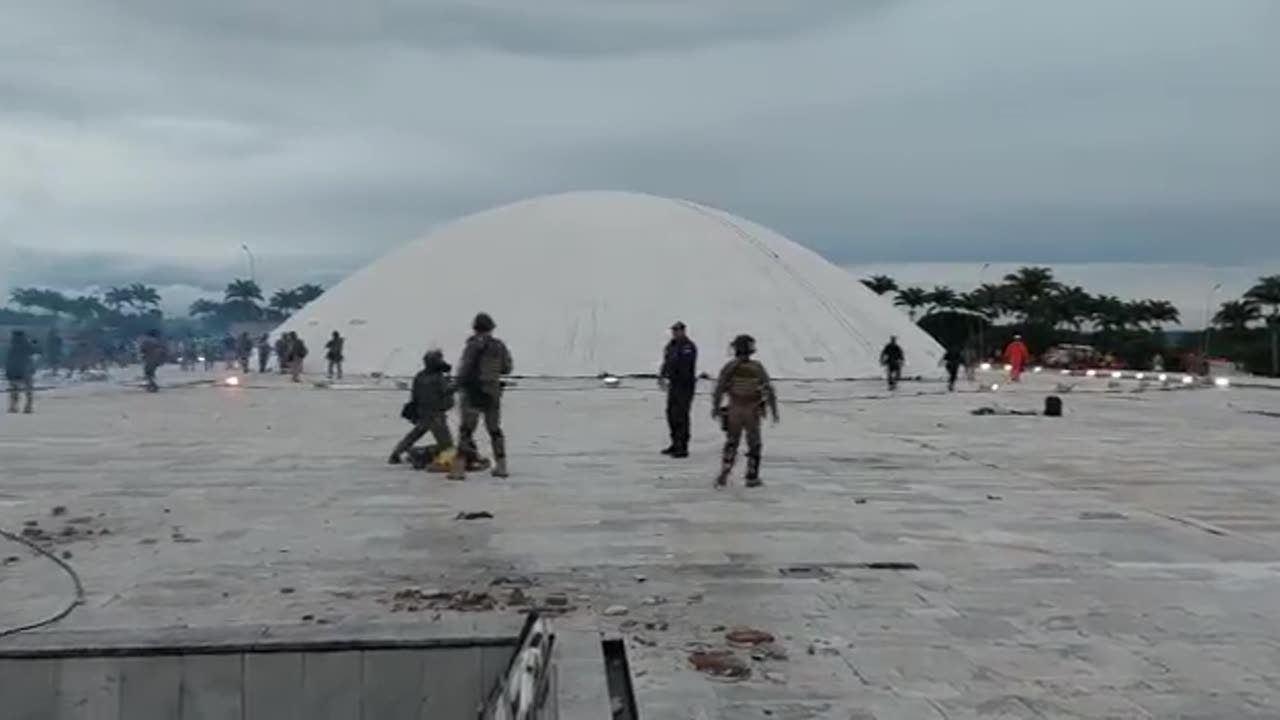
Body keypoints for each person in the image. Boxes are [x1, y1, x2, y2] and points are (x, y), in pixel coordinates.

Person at [451, 312, 514, 480]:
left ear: (475, 328)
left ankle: (458, 469)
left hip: (472, 392)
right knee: (494, 430)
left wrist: (455, 386)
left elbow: (465, 368)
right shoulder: (499, 346)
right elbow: (507, 367)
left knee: (466, 430)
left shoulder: (472, 345)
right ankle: (501, 467)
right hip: (492, 392)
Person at [711, 334, 778, 488]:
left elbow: (719, 389)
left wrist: (716, 407)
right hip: (752, 410)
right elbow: (768, 389)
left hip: (734, 408)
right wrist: (773, 409)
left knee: (732, 441)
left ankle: (726, 469)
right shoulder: (757, 367)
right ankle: (752, 476)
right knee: (754, 443)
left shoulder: (730, 367)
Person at [388, 350, 456, 466]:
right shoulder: (437, 378)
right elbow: (446, 391)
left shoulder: (419, 377)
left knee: (414, 435)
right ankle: (438, 460)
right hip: (436, 415)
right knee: (448, 445)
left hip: (423, 412)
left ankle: (397, 452)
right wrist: (456, 385)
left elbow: (414, 396)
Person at [658, 321, 698, 458]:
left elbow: (684, 365)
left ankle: (682, 447)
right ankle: (674, 443)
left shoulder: (688, 346)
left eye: (678, 330)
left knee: (681, 415)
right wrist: (662, 376)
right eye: (674, 330)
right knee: (671, 414)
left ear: (683, 331)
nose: (675, 333)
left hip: (685, 385)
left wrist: (673, 373)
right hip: (674, 384)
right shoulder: (671, 345)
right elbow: (666, 361)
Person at [6, 330, 36, 414]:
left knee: (14, 389)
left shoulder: (11, 346)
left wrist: (8, 371)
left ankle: (13, 406)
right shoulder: (27, 345)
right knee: (28, 389)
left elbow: (9, 360)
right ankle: (28, 406)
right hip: (25, 370)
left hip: (14, 371)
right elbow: (35, 351)